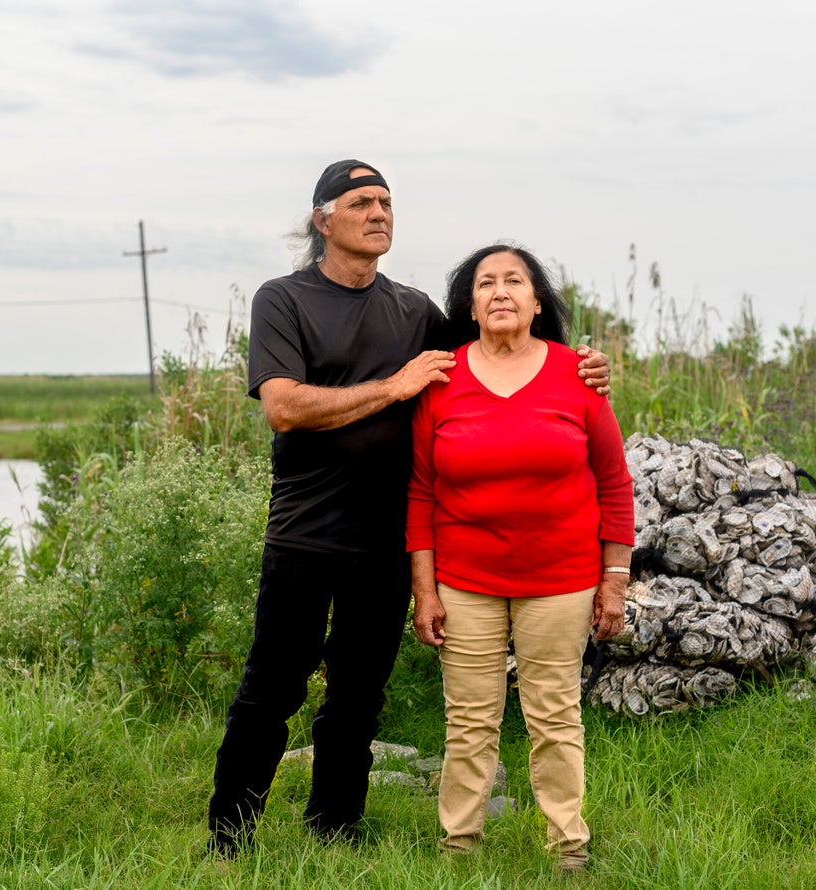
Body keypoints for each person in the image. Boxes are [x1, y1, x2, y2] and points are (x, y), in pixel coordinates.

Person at [207, 162, 611, 856]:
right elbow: (284, 406)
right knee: (272, 688)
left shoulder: (414, 310)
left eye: (387, 203)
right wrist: (393, 386)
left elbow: (500, 345)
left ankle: (335, 828)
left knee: (358, 696)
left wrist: (579, 367)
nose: (379, 213)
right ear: (321, 219)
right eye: (361, 202)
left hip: (388, 539)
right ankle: (228, 838)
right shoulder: (284, 300)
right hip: (305, 532)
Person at [406, 243, 635, 873]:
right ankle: (458, 846)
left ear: (538, 303)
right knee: (469, 722)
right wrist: (424, 591)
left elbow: (614, 483)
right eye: (486, 283)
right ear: (469, 304)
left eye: (515, 281)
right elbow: (421, 491)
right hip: (465, 581)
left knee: (554, 716)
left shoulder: (577, 375)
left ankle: (569, 848)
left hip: (560, 580)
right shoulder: (442, 377)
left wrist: (614, 581)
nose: (500, 291)